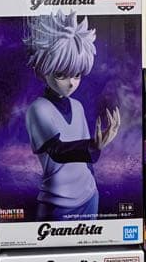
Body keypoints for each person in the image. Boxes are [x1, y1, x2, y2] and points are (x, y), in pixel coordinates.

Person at [23, 11, 120, 221]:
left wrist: (97, 147)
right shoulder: (38, 109)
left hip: (90, 196)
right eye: (61, 74)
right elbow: (57, 151)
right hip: (56, 203)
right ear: (42, 71)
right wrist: (92, 145)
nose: (71, 83)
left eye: (76, 75)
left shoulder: (77, 107)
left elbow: (87, 160)